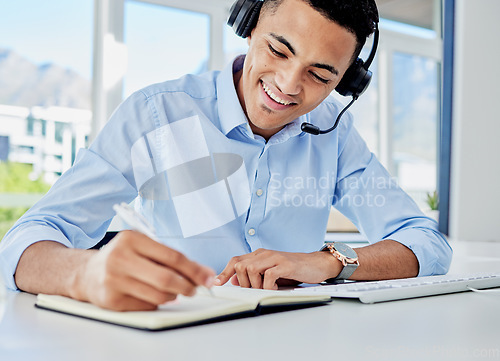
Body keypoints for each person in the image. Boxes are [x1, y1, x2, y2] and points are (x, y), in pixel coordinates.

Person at [0, 0, 452, 311]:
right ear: (250, 23)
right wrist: (84, 274)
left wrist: (327, 261)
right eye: (279, 50)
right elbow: (25, 241)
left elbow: (426, 244)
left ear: (344, 82)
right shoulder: (156, 113)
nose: (289, 85)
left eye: (319, 75)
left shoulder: (335, 131)